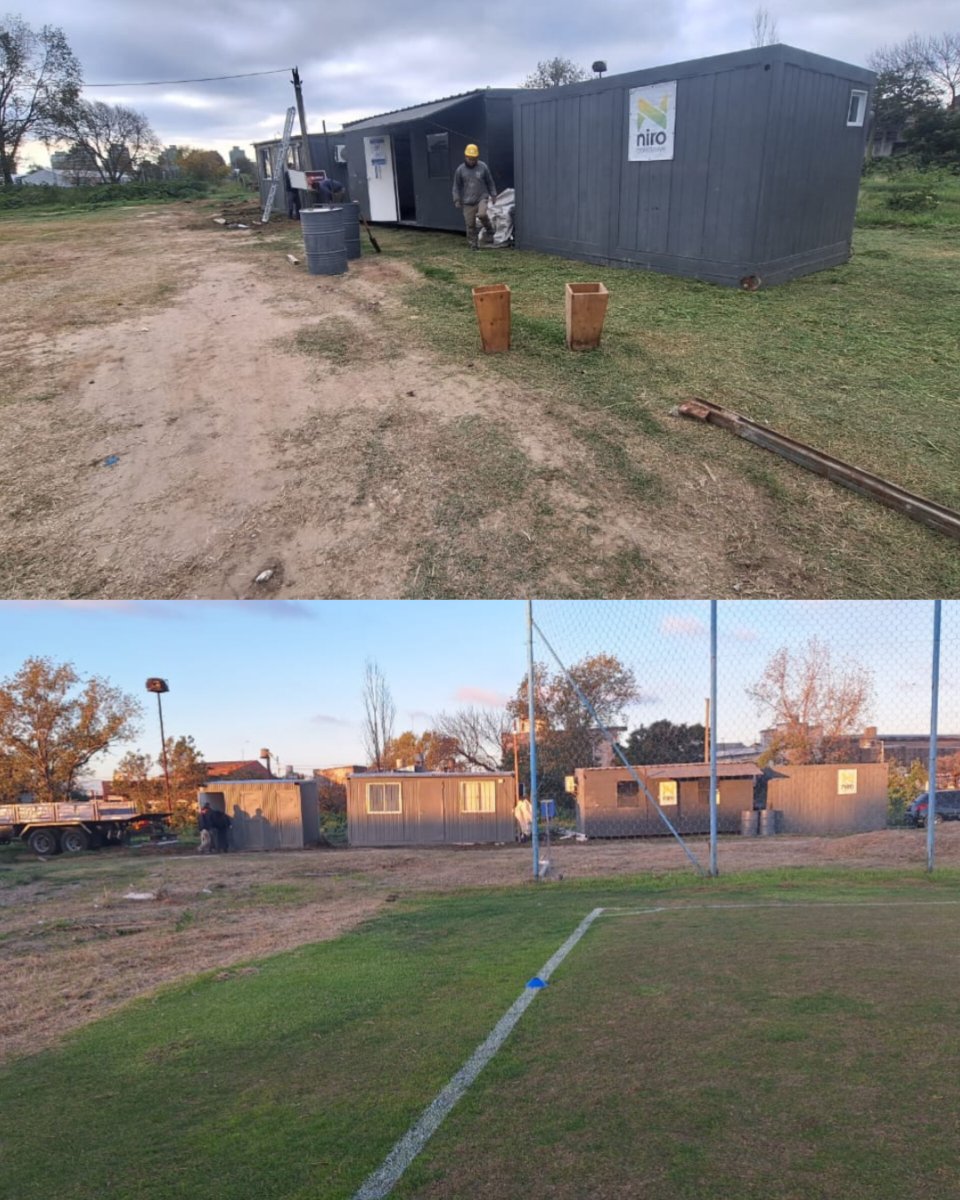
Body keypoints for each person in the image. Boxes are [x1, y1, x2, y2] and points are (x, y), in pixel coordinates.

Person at [452, 144, 496, 250]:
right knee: (470, 224)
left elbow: (490, 181)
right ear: (465, 157)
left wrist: (493, 194)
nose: (472, 161)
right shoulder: (460, 170)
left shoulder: (483, 167)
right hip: (467, 201)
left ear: (477, 157)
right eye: (470, 159)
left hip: (482, 197)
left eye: (474, 159)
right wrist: (457, 199)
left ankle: (490, 229)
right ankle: (473, 245)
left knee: (482, 214)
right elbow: (456, 186)